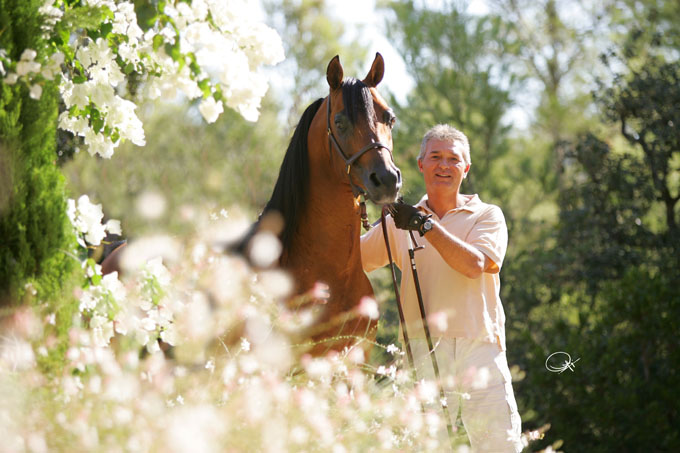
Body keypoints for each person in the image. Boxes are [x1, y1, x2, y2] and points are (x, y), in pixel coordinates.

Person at [361, 124, 523, 452]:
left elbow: (475, 265)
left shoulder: (487, 215)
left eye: (453, 159)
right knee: (426, 446)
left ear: (466, 168)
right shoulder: (397, 220)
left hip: (479, 346)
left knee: (499, 445)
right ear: (420, 164)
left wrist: (425, 225)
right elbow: (354, 259)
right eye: (435, 157)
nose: (444, 165)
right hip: (422, 348)